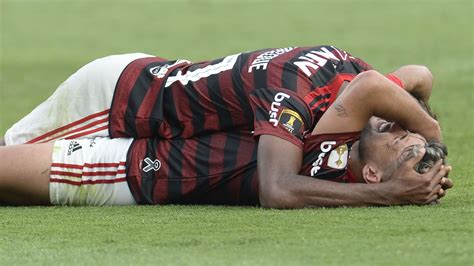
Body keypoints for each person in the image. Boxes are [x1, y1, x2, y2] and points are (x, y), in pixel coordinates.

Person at [0, 45, 453, 207]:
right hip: (123, 99)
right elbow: (275, 190)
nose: (400, 130)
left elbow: (414, 76)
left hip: (145, 158)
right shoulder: (296, 96)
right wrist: (428, 137)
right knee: (8, 154)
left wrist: (420, 129)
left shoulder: (341, 111)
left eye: (403, 142)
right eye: (403, 126)